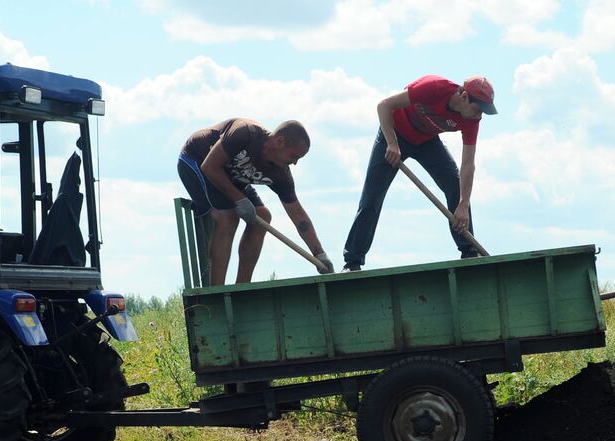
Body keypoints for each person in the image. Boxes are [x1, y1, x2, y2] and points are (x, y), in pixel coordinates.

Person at [342, 75, 496, 271]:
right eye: (478, 109)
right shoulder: (434, 88)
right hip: (394, 133)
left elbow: (468, 165)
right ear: (464, 96)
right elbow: (383, 106)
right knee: (372, 198)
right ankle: (352, 261)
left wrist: (464, 204)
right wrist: (391, 143)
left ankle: (469, 252)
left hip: (426, 141)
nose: (479, 115)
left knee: (455, 187)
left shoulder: (472, 120)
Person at [178, 119, 332, 286]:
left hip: (231, 176)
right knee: (228, 217)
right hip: (197, 161)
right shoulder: (245, 133)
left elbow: (298, 215)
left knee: (263, 217)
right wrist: (239, 199)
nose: (294, 163)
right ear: (280, 142)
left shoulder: (281, 175)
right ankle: (217, 292)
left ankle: (242, 288)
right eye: (294, 156)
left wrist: (319, 253)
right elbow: (210, 167)